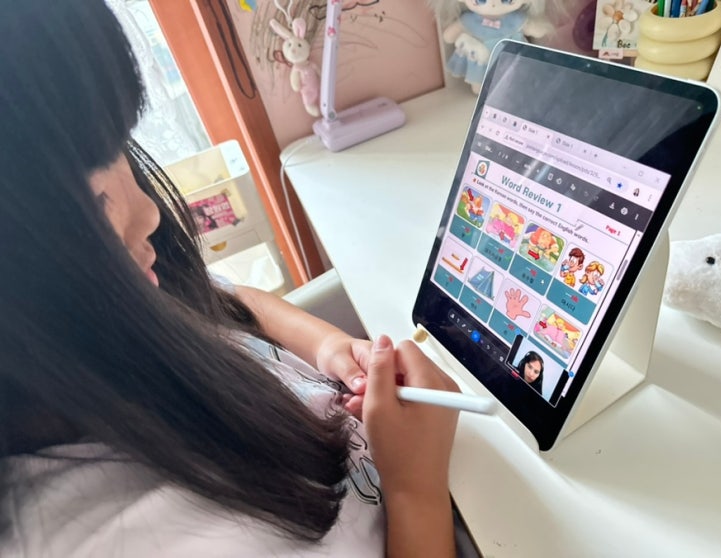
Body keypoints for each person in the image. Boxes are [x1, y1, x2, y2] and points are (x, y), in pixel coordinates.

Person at [0, 1, 461, 556]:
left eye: (120, 146)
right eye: (97, 197)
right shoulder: (125, 535)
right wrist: (416, 490)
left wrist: (330, 348)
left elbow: (228, 300)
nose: (149, 212)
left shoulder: (118, 310)